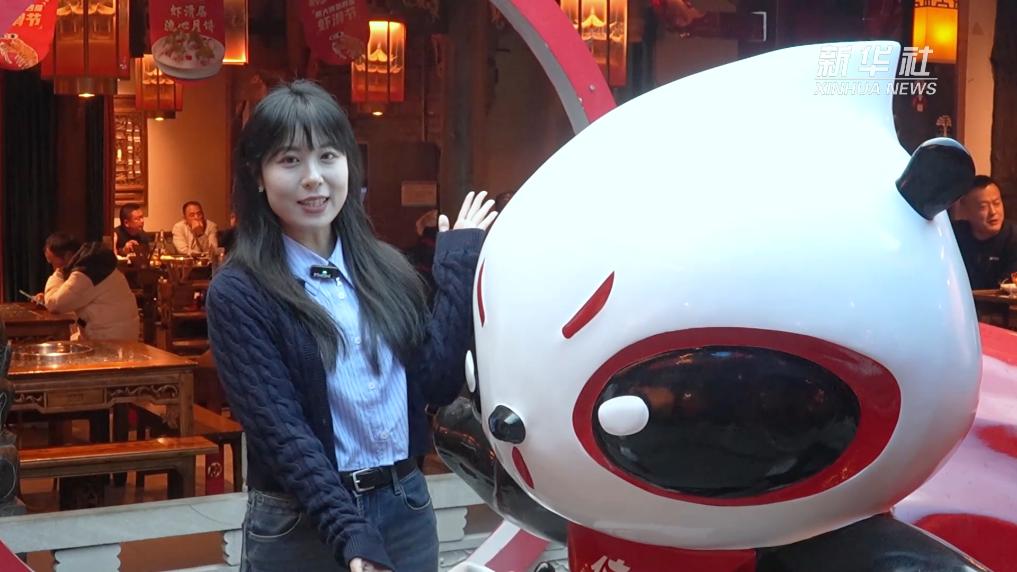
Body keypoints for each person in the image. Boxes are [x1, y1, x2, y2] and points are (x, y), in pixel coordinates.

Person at [205, 80, 496, 572]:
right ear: (257, 175)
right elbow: (283, 433)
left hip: (404, 506)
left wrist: (458, 266)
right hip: (301, 521)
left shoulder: (387, 269)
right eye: (290, 160)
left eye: (328, 156)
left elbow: (437, 382)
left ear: (348, 165)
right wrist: (351, 532)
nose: (313, 178)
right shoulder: (240, 292)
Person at [41, 238, 140, 341]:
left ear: (68, 255)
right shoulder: (97, 265)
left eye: (52, 262)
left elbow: (55, 304)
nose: (53, 267)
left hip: (111, 342)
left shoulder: (85, 273)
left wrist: (59, 273)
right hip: (121, 335)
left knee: (54, 344)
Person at [952, 175, 1017, 289]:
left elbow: (1009, 286)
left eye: (997, 203)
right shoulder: (954, 236)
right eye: (983, 207)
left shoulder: (1013, 237)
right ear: (966, 211)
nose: (993, 212)